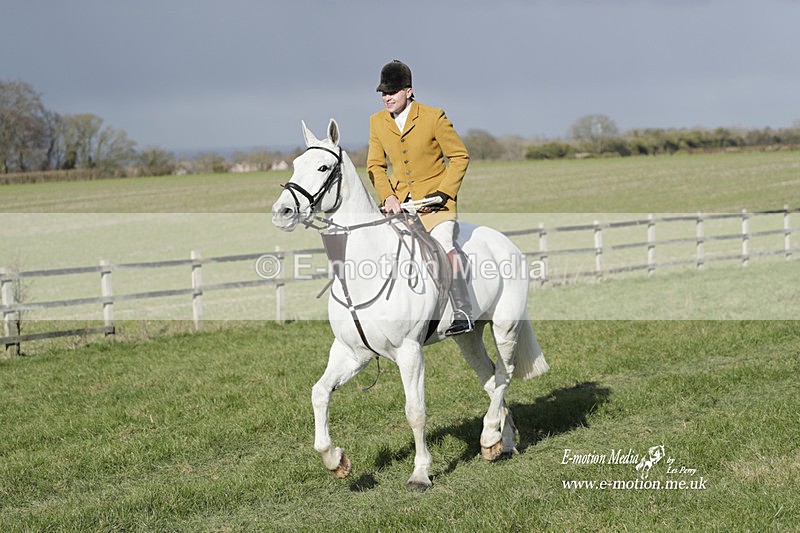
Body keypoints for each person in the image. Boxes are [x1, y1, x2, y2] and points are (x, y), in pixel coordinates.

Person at [367, 60, 473, 336]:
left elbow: (460, 156)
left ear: (409, 91)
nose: (387, 98)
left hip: (437, 205)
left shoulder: (433, 117)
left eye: (392, 92)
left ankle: (463, 311)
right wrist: (388, 196)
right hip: (401, 204)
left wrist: (444, 192)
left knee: (444, 246)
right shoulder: (377, 122)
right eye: (383, 93)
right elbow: (375, 165)